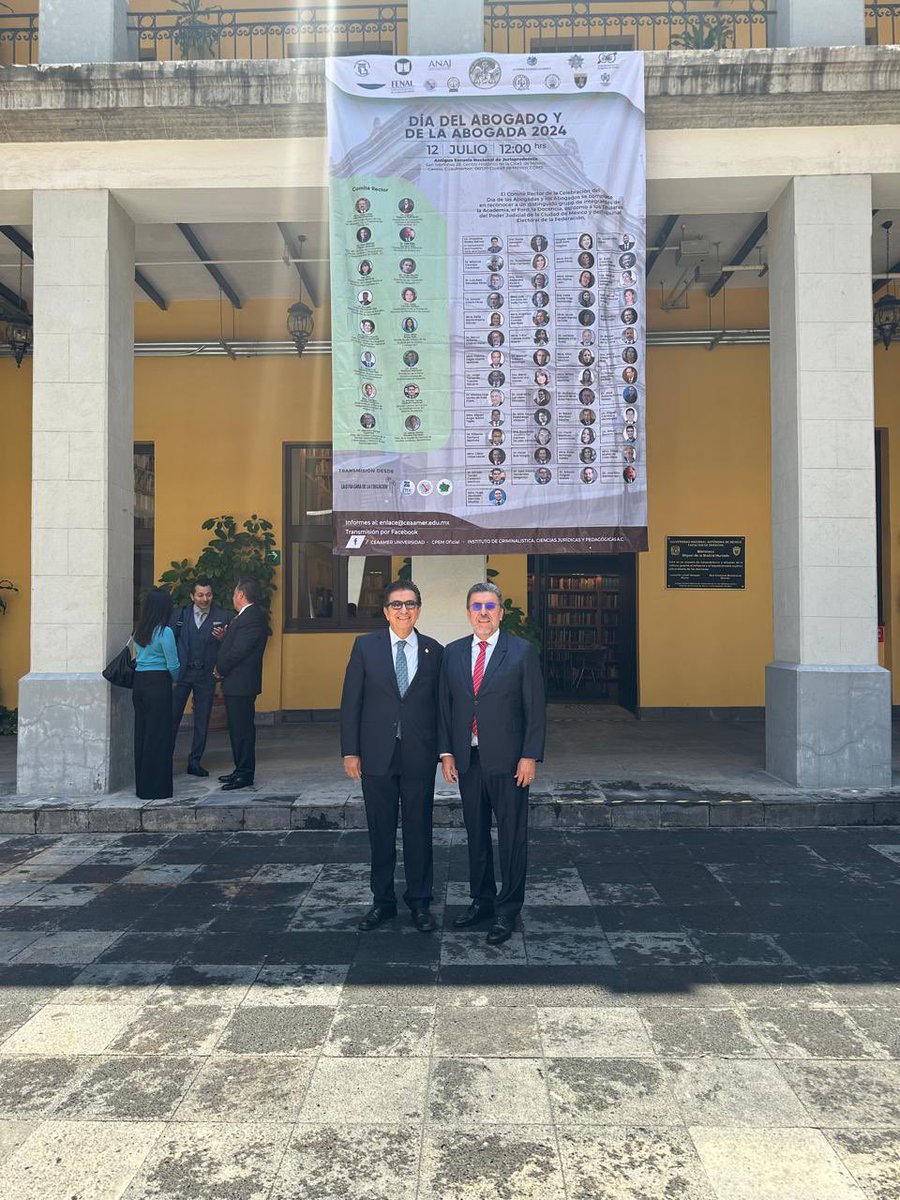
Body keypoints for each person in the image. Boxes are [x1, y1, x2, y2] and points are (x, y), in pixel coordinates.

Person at [438, 582, 546, 945]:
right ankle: (481, 901)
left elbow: (535, 709)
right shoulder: (452, 653)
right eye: (476, 606)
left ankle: (508, 909)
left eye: (490, 606)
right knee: (476, 834)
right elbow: (445, 708)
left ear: (500, 612)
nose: (483, 612)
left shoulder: (521, 652)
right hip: (468, 760)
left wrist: (529, 755)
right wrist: (447, 752)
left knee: (512, 838)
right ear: (468, 612)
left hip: (510, 762)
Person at [341, 580, 443, 933]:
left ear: (418, 608)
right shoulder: (365, 647)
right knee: (380, 831)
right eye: (396, 604)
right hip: (376, 755)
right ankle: (382, 902)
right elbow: (351, 702)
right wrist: (350, 751)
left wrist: (445, 752)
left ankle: (419, 902)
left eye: (410, 604)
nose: (403, 610)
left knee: (419, 830)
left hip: (418, 754)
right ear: (386, 610)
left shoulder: (434, 650)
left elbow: (440, 708)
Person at [171, 577, 228, 778]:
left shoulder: (222, 615)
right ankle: (165, 758)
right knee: (172, 718)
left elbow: (229, 648)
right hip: (181, 675)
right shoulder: (180, 615)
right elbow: (170, 642)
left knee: (202, 720)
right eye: (201, 595)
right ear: (192, 596)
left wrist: (223, 639)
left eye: (208, 594)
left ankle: (194, 761)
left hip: (205, 675)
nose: (205, 599)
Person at [216, 579, 268, 792]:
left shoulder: (252, 617)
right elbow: (236, 644)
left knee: (242, 730)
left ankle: (245, 773)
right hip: (236, 683)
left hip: (241, 683)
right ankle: (239, 769)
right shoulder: (245, 617)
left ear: (241, 595)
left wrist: (221, 668)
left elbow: (240, 651)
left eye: (234, 592)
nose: (232, 596)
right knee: (237, 729)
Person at [133, 587, 179, 801]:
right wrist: (176, 679)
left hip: (140, 682)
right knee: (159, 735)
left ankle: (142, 786)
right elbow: (173, 664)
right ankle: (158, 787)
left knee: (142, 734)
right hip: (158, 683)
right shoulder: (165, 632)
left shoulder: (139, 631)